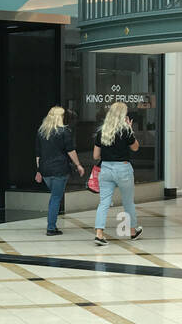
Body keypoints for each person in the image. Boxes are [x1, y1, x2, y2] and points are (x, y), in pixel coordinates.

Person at [92, 101, 143, 246]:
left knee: (104, 202)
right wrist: (130, 129)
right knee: (128, 202)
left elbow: (96, 156)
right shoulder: (125, 131)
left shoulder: (102, 132)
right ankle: (133, 232)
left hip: (106, 169)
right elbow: (135, 148)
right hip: (123, 169)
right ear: (123, 115)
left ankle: (99, 234)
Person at [33, 106, 84, 235]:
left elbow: (38, 155)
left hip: (45, 171)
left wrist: (39, 170)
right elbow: (70, 151)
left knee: (54, 196)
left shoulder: (41, 132)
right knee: (56, 198)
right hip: (60, 170)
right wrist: (78, 165)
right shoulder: (64, 132)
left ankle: (52, 225)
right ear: (59, 117)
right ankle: (51, 227)